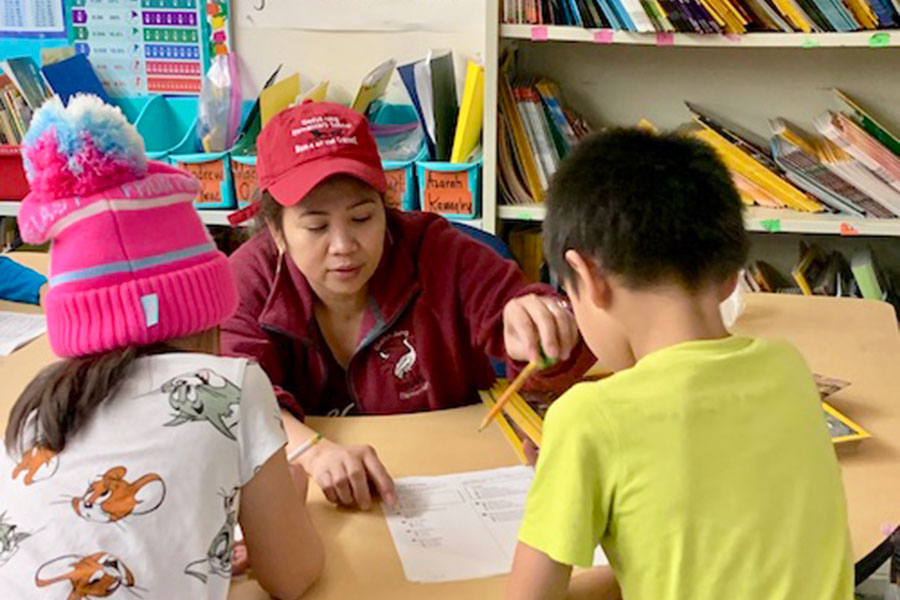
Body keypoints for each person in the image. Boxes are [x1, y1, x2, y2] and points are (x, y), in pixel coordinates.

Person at [507, 128, 853, 600]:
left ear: (588, 277)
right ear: (731, 277)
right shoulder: (788, 368)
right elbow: (722, 550)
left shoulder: (590, 417)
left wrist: (573, 472)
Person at [1, 95, 323, 600]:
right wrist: (294, 489)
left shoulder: (36, 407)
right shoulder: (230, 387)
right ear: (203, 309)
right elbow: (293, 574)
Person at [223, 102, 603, 510]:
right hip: (315, 500)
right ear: (277, 232)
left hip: (449, 488)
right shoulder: (248, 277)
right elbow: (233, 393)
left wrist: (543, 322)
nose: (343, 246)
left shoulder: (437, 252)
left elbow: (526, 315)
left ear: (386, 208)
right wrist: (311, 451)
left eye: (363, 218)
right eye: (316, 226)